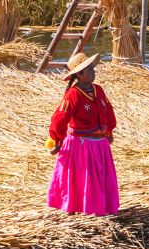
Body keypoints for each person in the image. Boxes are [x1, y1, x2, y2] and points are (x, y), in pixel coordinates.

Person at [47, 52, 119, 215]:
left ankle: (102, 207)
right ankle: (80, 207)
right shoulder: (73, 94)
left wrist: (109, 130)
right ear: (79, 74)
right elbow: (60, 118)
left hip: (100, 144)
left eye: (92, 68)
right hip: (81, 146)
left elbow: (108, 110)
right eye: (89, 69)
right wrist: (56, 140)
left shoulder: (98, 90)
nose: (94, 72)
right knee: (84, 179)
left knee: (100, 178)